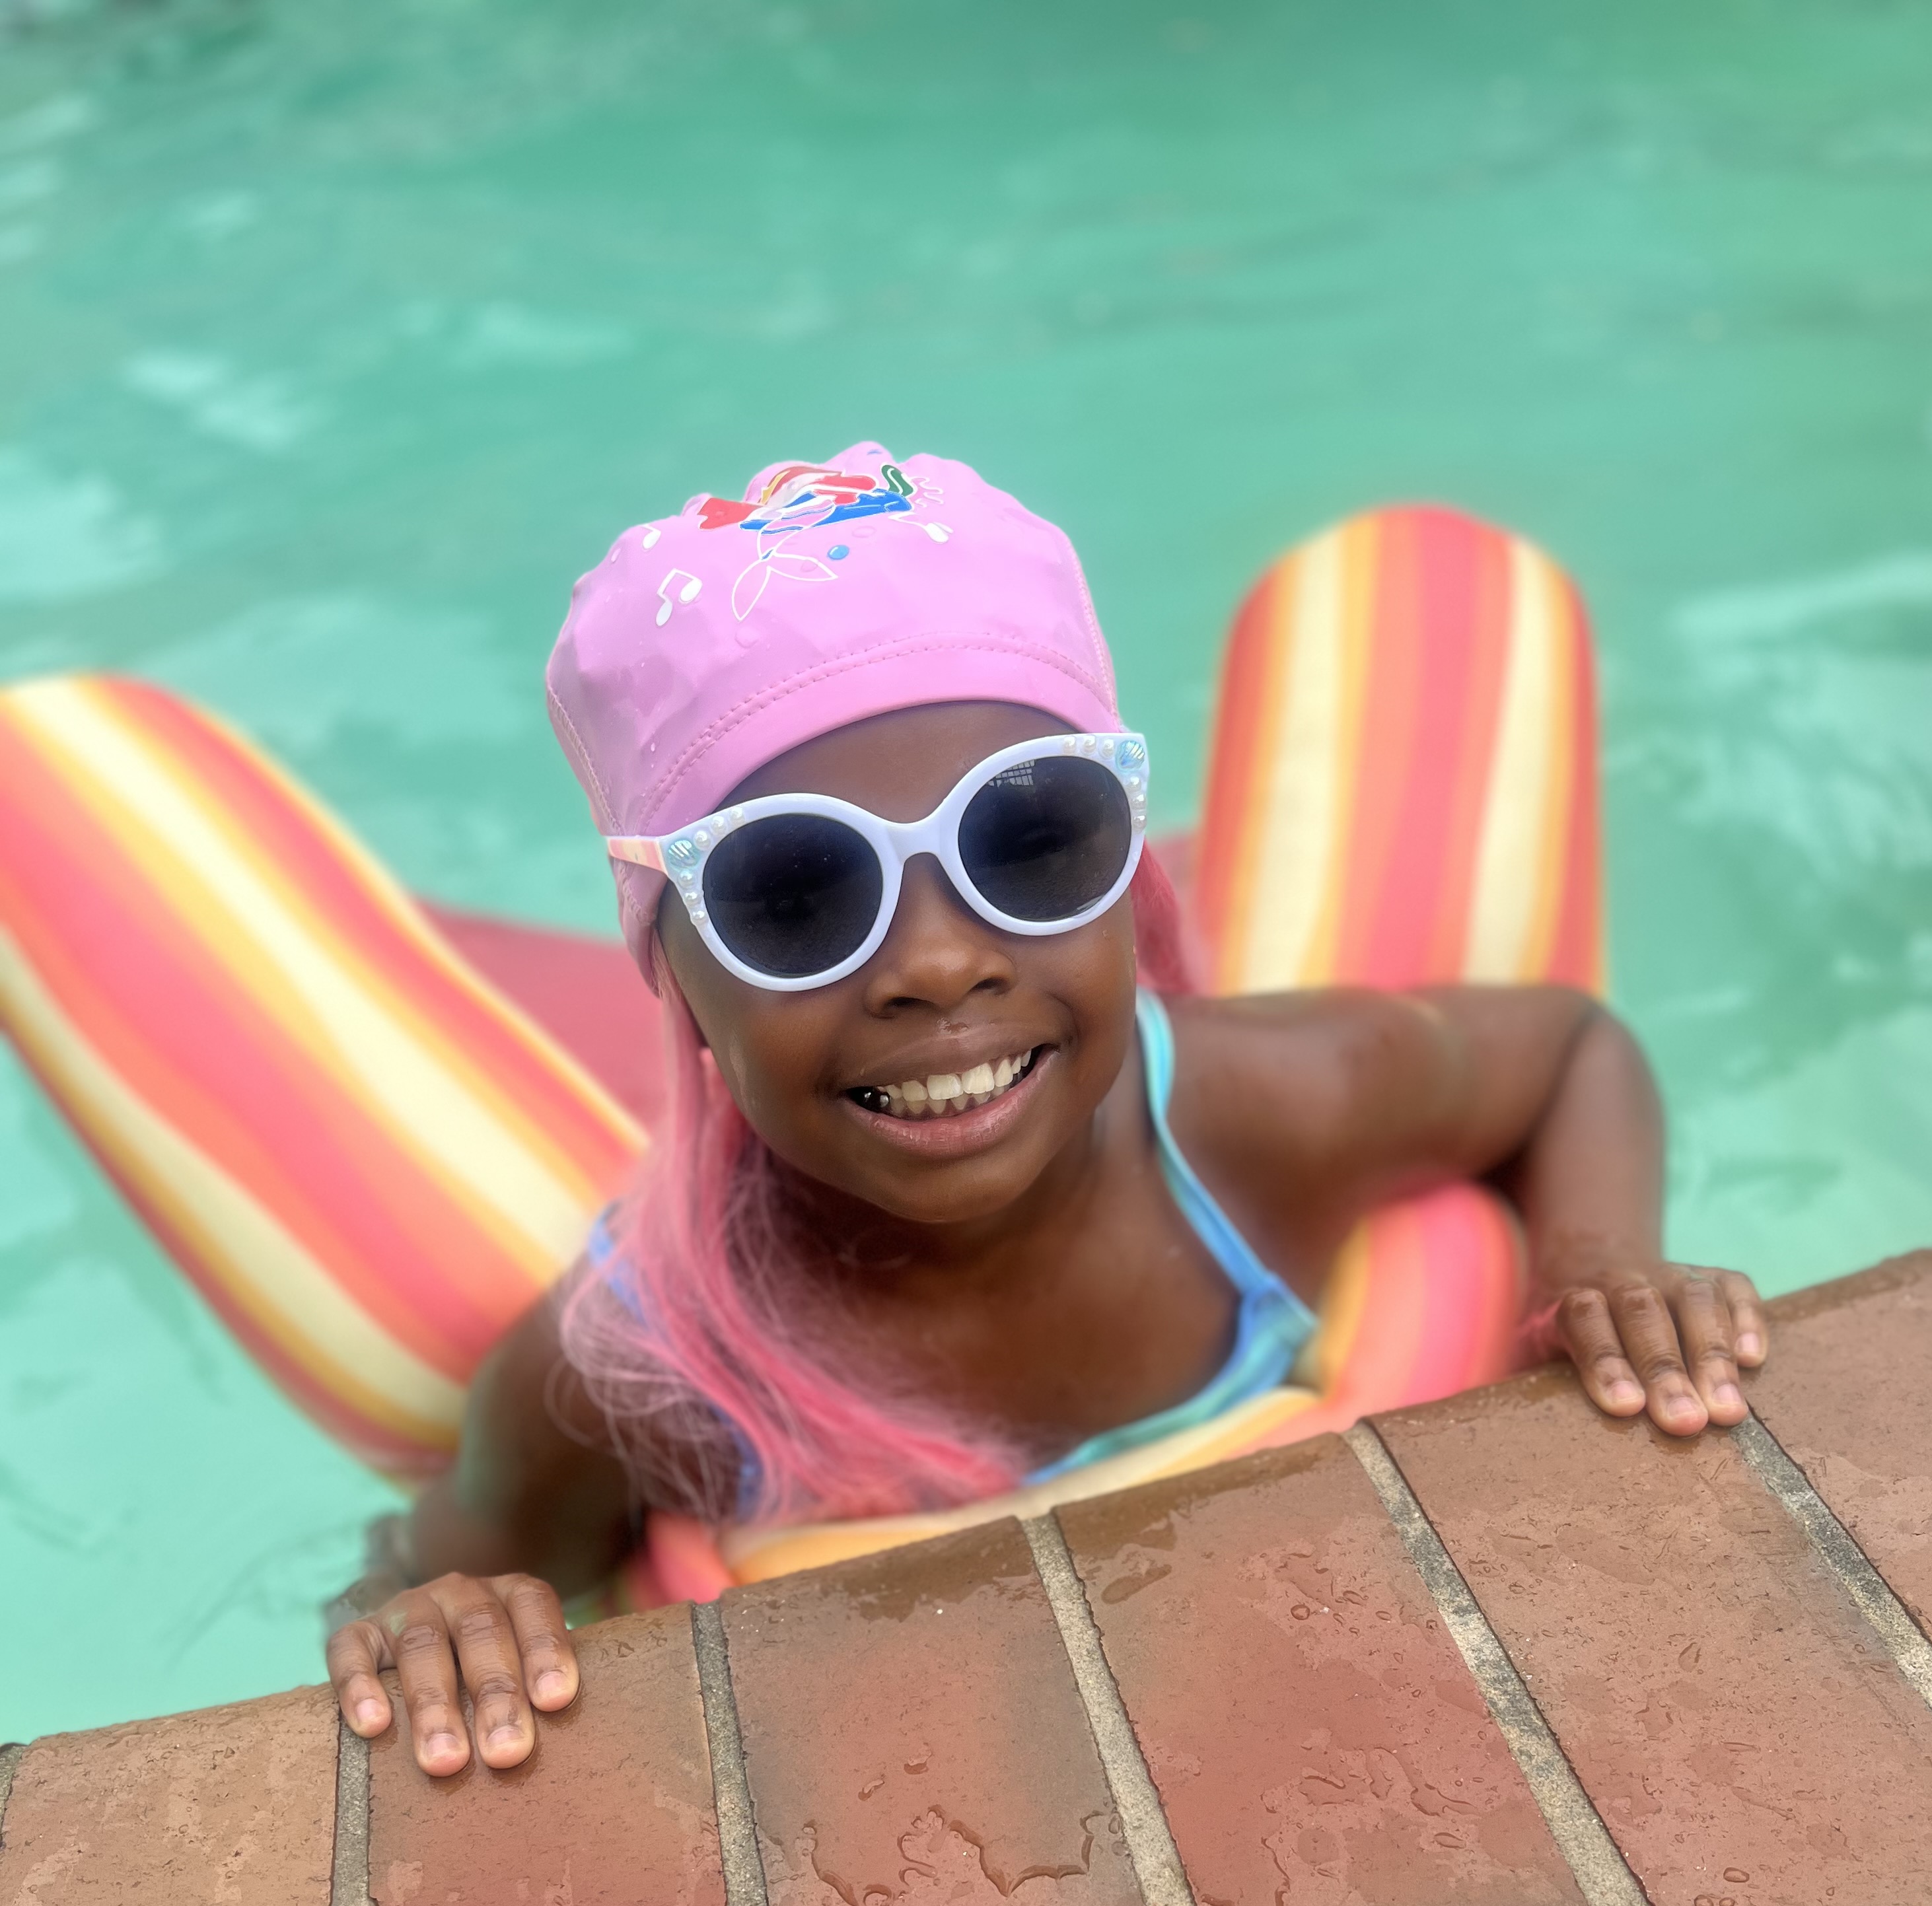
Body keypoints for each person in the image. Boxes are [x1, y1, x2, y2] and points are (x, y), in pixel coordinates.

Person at [326, 447, 1766, 1777]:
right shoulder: (642, 1374)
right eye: (794, 891)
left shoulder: (1259, 1122)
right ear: (680, 983)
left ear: (1129, 877)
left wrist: (1595, 1267)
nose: (940, 961)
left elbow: (1571, 1052)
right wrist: (430, 1616)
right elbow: (430, 1572)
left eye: (1028, 837)